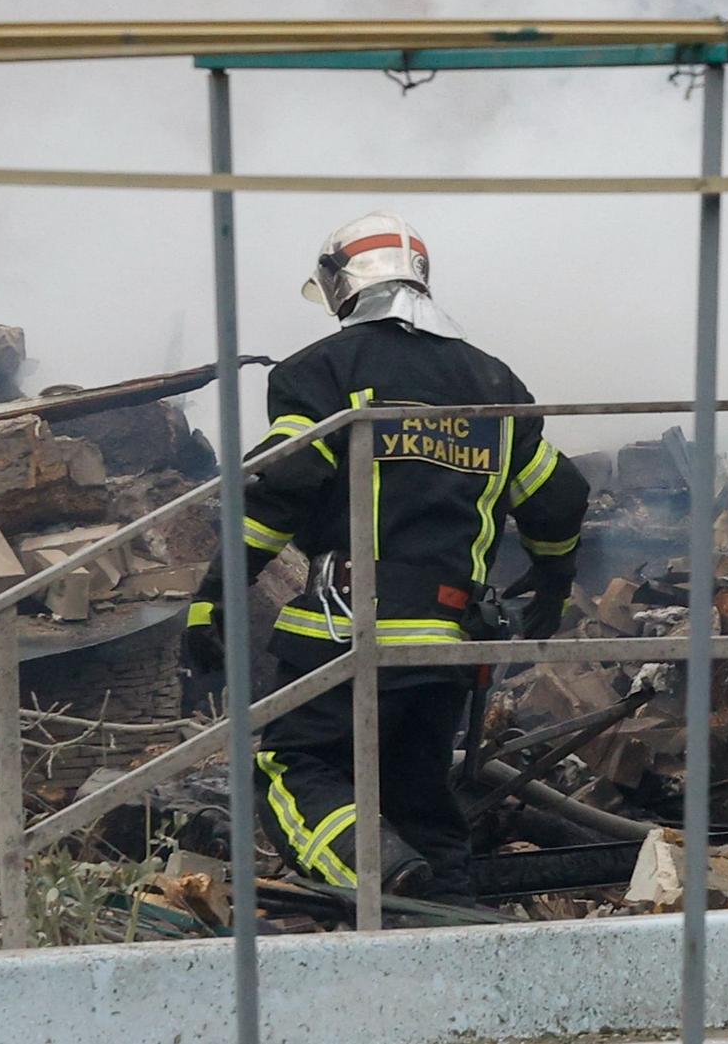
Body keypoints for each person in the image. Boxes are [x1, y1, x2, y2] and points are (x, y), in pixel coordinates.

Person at [181, 212, 585, 896]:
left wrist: (214, 597)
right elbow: (558, 494)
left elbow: (283, 484)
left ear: (342, 282)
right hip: (450, 638)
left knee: (291, 767)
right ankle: (452, 924)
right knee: (417, 797)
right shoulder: (493, 383)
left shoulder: (325, 369)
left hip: (350, 624)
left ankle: (389, 881)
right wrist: (553, 579)